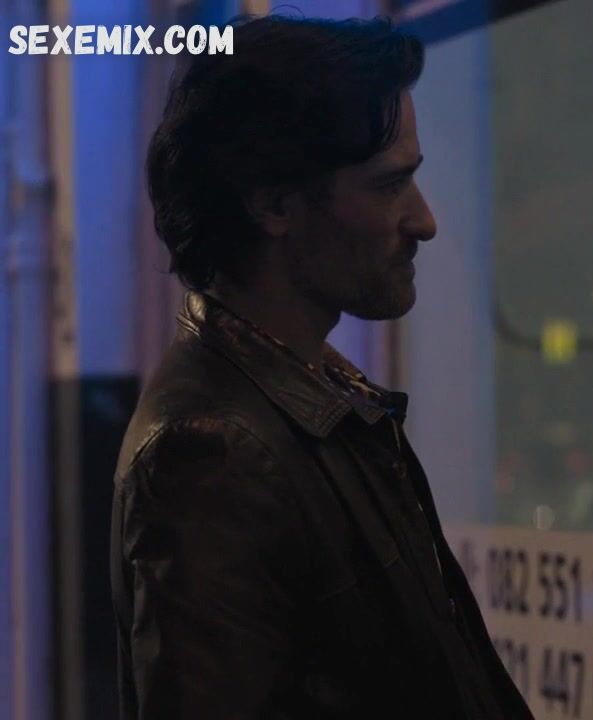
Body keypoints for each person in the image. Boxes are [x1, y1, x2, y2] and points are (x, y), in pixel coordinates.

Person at [111, 15, 532, 719]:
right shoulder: (212, 452)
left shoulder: (319, 403)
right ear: (274, 203)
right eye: (389, 185)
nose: (425, 221)